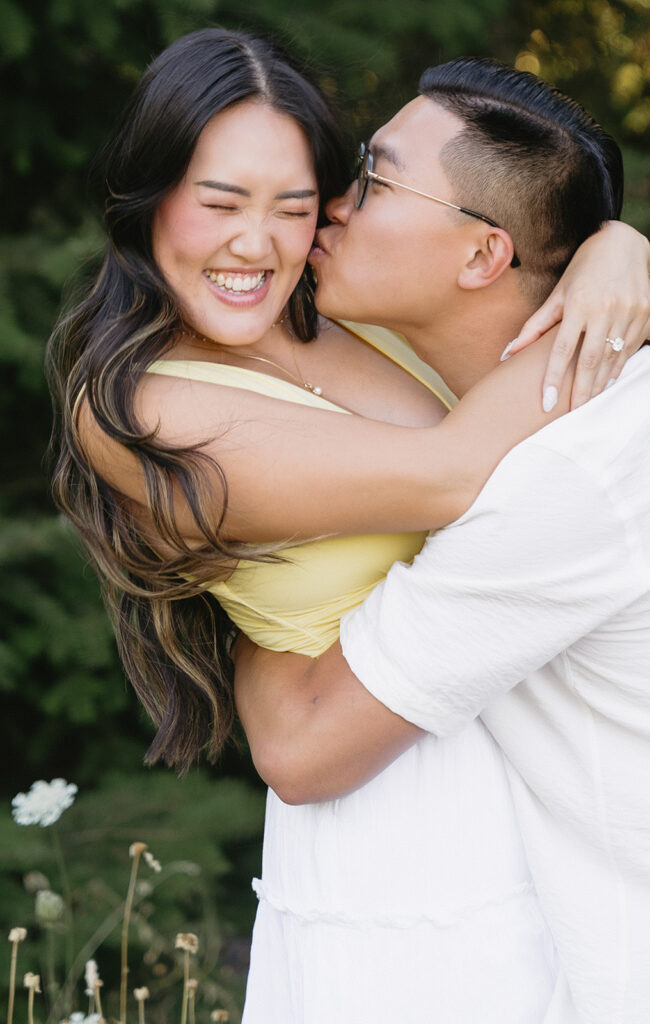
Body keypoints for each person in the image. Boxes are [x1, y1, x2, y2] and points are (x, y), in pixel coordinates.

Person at [44, 29, 650, 1022]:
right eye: (218, 199)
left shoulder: (345, 302)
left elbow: (493, 277)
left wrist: (610, 249)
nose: (263, 240)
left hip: (517, 781)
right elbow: (453, 474)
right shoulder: (137, 407)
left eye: (296, 201)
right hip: (382, 803)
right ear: (149, 192)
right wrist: (606, 287)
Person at [234, 58, 650, 1022]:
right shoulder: (466, 389)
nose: (332, 203)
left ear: (481, 258)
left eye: (375, 180)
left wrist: (232, 566)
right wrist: (620, 241)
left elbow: (304, 751)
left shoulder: (573, 475)